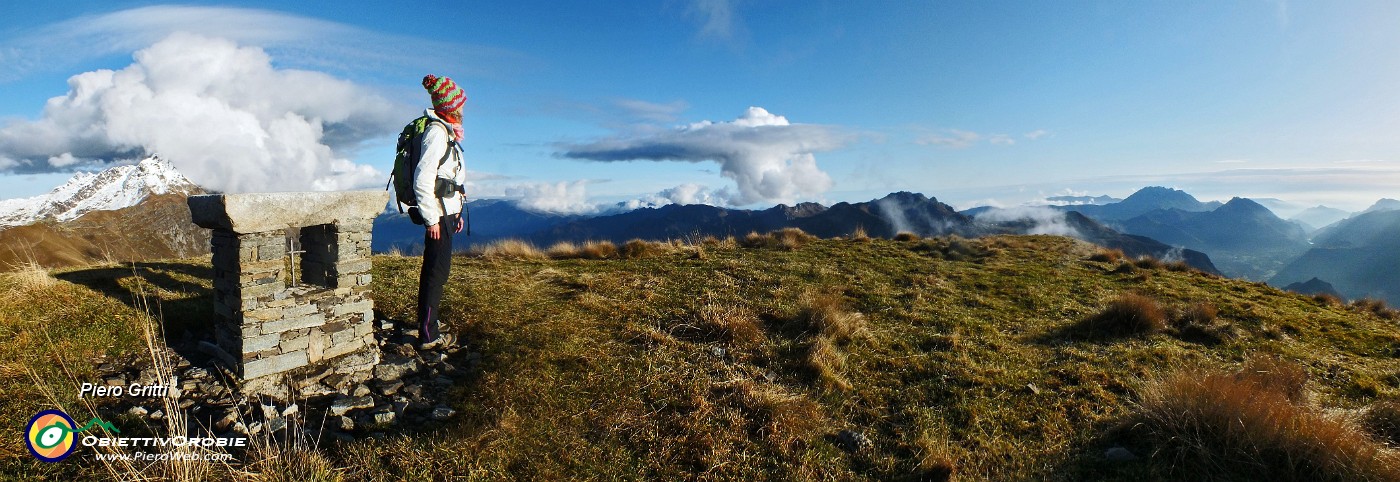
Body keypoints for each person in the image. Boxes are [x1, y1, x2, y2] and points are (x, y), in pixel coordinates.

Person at [415, 74, 467, 347]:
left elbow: (447, 176)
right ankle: (428, 334)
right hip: (438, 216)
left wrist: (455, 212)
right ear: (451, 107)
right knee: (435, 272)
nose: (463, 110)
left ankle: (429, 324)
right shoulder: (437, 133)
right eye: (460, 105)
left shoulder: (446, 132)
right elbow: (422, 179)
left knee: (439, 271)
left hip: (446, 214)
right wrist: (432, 220)